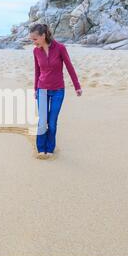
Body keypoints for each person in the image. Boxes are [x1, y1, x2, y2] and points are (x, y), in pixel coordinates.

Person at [28, 23, 82, 159]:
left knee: (52, 122)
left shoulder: (60, 48)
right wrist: (35, 89)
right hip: (42, 89)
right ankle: (41, 149)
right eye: (31, 39)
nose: (33, 42)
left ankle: (50, 148)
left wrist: (77, 86)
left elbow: (69, 67)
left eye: (35, 39)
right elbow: (37, 71)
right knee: (42, 121)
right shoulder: (36, 51)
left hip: (58, 90)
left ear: (43, 36)